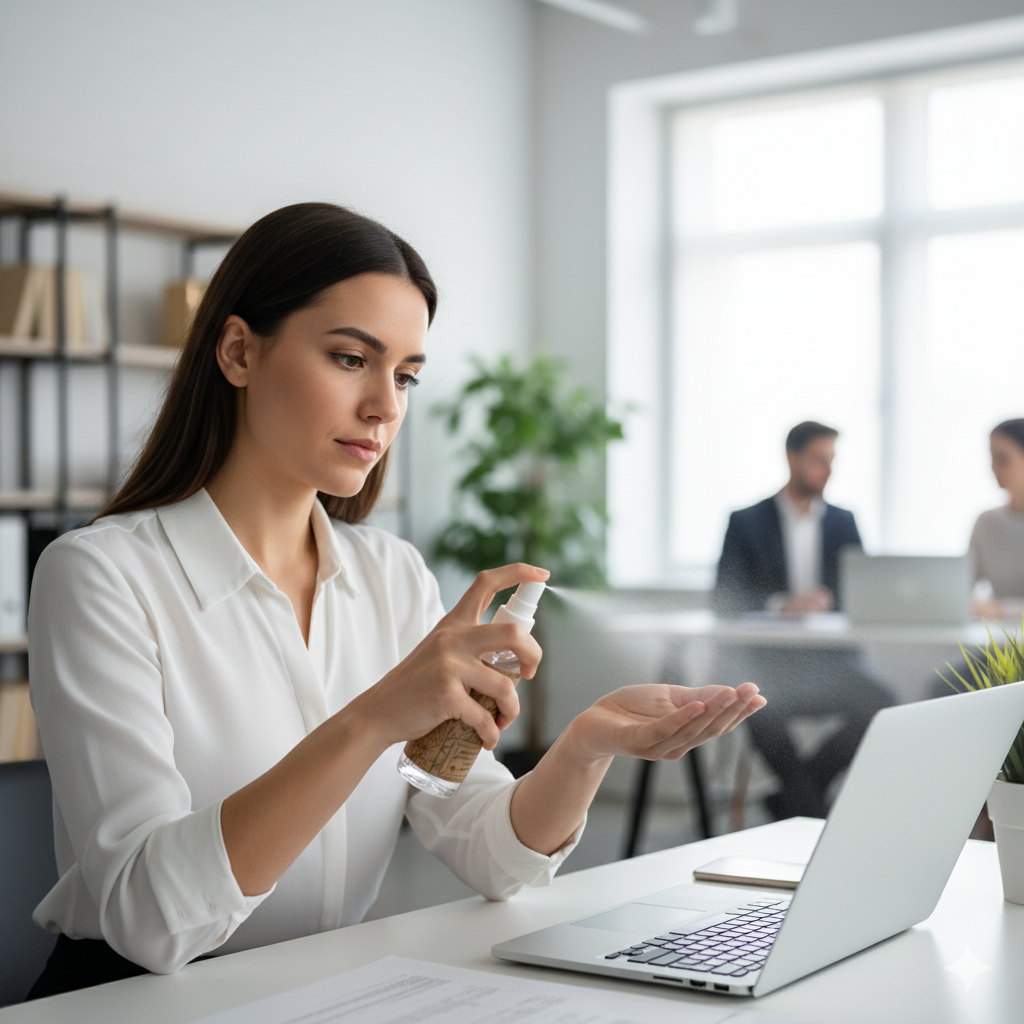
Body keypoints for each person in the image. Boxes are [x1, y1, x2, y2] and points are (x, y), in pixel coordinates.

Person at [26, 203, 766, 998]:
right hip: (127, 1001)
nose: (385, 405)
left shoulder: (392, 575)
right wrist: (373, 717)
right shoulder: (102, 575)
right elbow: (147, 916)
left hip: (313, 992)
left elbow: (485, 845)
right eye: (351, 358)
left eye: (406, 375)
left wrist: (584, 747)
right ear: (239, 350)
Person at [712, 421, 894, 820]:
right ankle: (808, 808)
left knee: (883, 704)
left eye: (831, 460)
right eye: (818, 460)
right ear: (791, 457)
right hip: (767, 663)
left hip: (831, 662)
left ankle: (794, 802)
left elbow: (860, 591)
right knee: (755, 703)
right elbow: (724, 596)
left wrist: (829, 601)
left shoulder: (843, 522)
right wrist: (781, 605)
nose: (827, 470)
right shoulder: (746, 521)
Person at [969, 419, 1024, 622]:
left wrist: (1000, 610)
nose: (994, 468)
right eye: (992, 458)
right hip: (997, 637)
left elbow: (992, 609)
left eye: (1002, 459)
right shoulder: (986, 522)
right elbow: (962, 588)